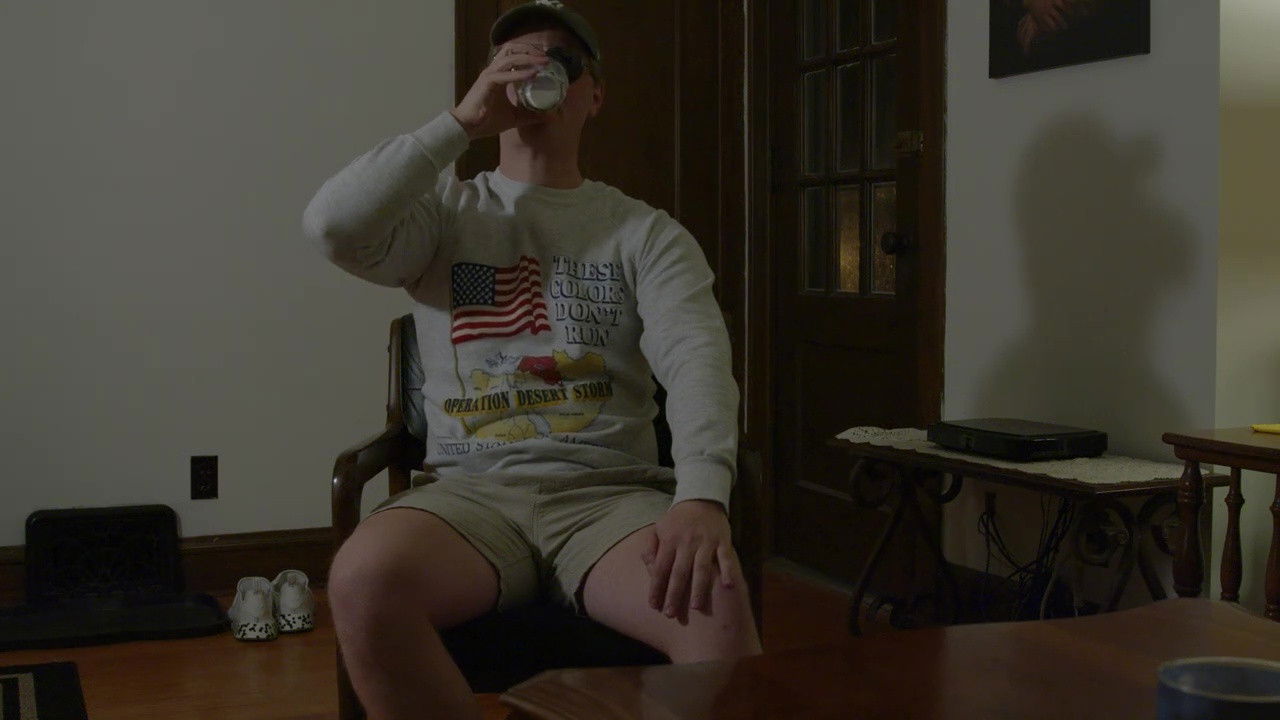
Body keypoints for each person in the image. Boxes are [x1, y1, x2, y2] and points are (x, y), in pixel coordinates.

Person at [301, 2, 761, 718]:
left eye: (559, 61)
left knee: (717, 603)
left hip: (610, 498)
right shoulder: (445, 215)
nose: (536, 71)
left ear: (593, 94)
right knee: (362, 581)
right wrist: (460, 124)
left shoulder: (646, 234)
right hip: (470, 497)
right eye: (514, 59)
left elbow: (698, 356)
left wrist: (701, 494)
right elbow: (332, 225)